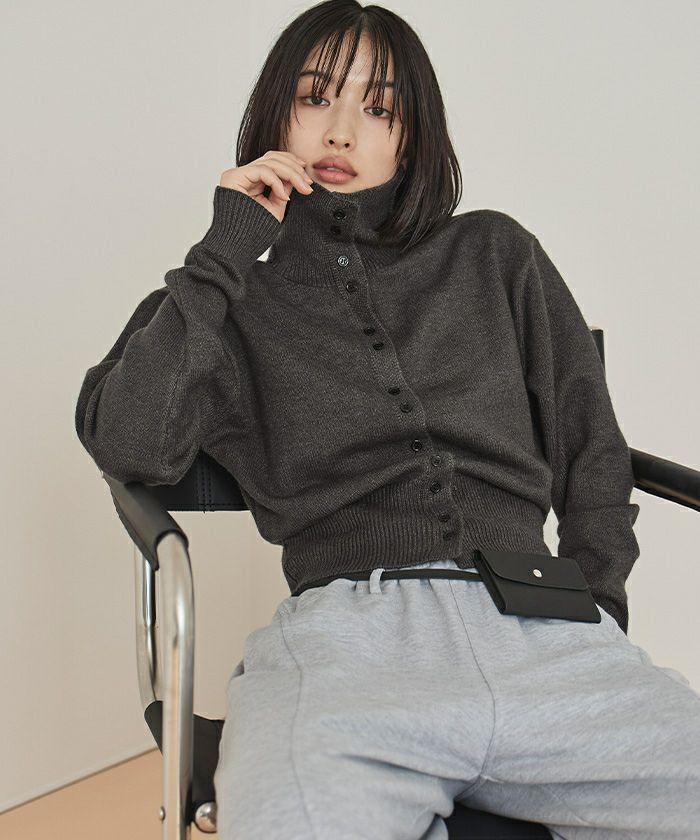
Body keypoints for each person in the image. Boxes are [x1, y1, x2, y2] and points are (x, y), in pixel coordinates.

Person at [74, 1, 700, 837]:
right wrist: (224, 250)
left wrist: (599, 607)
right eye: (314, 98)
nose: (340, 132)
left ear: (414, 137)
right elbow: (127, 444)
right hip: (351, 645)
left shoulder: (495, 254)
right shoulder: (229, 302)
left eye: (379, 109)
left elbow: (592, 444)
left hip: (549, 635)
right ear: (274, 113)